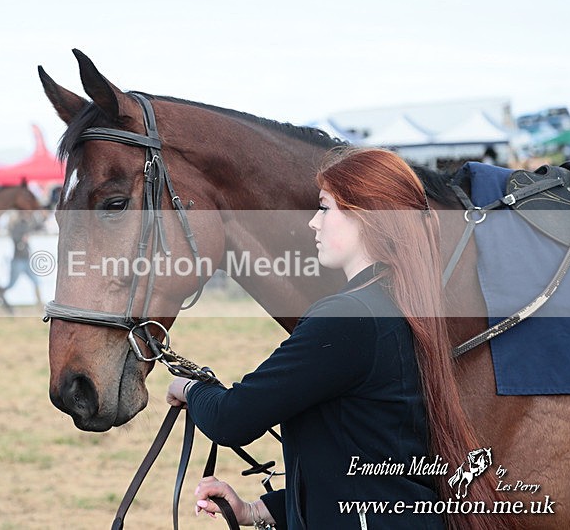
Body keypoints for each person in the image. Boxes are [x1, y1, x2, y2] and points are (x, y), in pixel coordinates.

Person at [167, 148, 516, 530]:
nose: (314, 224)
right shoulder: (398, 305)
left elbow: (231, 418)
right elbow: (371, 458)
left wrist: (189, 387)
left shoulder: (348, 319)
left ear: (366, 218)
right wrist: (258, 511)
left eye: (325, 208)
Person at [4, 213, 42, 305]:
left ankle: (39, 302)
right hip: (18, 260)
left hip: (25, 260)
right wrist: (22, 238)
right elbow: (18, 240)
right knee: (11, 284)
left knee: (36, 281)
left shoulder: (21, 227)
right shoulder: (16, 229)